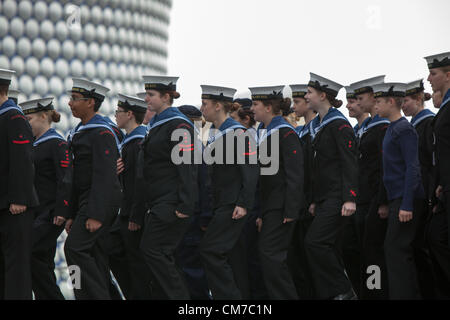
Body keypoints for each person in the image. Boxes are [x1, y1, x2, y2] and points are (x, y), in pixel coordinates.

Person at [140, 75, 197, 300]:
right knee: (158, 252)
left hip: (171, 201)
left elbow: (186, 167)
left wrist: (185, 203)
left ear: (166, 97)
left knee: (153, 249)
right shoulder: (160, 124)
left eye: (151, 95)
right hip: (159, 200)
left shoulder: (178, 124)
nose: (146, 99)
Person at [64, 78, 122, 300]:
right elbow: (77, 177)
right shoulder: (83, 130)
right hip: (86, 203)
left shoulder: (101, 133)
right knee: (94, 256)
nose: (70, 103)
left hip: (97, 203)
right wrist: (71, 214)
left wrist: (96, 214)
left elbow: (104, 177)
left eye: (75, 99)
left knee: (73, 249)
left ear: (90, 103)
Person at [199, 85, 259, 300]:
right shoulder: (217, 133)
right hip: (221, 203)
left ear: (217, 106)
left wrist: (243, 203)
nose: (202, 108)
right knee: (230, 257)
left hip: (233, 204)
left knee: (210, 251)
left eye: (205, 104)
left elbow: (251, 172)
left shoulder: (237, 132)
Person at [303, 73, 358, 300]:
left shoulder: (339, 124)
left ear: (322, 95)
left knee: (314, 242)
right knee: (326, 245)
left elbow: (349, 162)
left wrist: (350, 197)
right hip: (325, 196)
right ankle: (334, 294)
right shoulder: (320, 124)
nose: (306, 96)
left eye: (309, 93)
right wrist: (315, 200)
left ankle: (344, 290)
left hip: (338, 195)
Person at [250, 85, 303, 299]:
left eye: (255, 105)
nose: (252, 109)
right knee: (269, 258)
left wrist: (291, 210)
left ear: (269, 107)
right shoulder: (264, 132)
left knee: (271, 257)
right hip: (271, 206)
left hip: (282, 206)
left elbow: (295, 174)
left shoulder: (285, 132)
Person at [373, 82, 425, 299]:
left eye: (378, 102)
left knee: (396, 250)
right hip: (397, 199)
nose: (375, 106)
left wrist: (406, 204)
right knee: (393, 250)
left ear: (391, 102)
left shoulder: (404, 129)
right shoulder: (392, 128)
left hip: (407, 200)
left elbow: (413, 167)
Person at [20, 97, 70, 300]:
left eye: (29, 119)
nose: (26, 124)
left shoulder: (56, 143)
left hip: (49, 213)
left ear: (43, 117)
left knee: (29, 253)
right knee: (40, 262)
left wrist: (62, 210)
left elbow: (65, 179)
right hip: (36, 213)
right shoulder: (35, 144)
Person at [0, 69, 39, 300]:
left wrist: (20, 198)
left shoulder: (13, 117)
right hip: (3, 202)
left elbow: (22, 159)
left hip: (14, 205)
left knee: (16, 267)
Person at [351, 75, 390, 299]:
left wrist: (382, 200)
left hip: (375, 199)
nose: (357, 101)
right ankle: (368, 292)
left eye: (361, 97)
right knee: (365, 252)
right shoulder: (369, 127)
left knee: (374, 253)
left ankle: (376, 294)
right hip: (364, 198)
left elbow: (385, 167)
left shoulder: (382, 128)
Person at [113, 93, 152, 299]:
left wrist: (135, 216)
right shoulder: (129, 141)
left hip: (133, 216)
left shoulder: (138, 143)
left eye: (118, 112)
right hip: (126, 213)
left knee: (137, 265)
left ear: (129, 114)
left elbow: (140, 183)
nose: (115, 116)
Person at [402, 79, 436, 298]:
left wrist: (432, 195)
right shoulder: (413, 125)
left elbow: (431, 163)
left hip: (425, 194)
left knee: (423, 248)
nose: (402, 105)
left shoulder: (428, 123)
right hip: (414, 193)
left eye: (405, 100)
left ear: (417, 99)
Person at [175, 105, 212, 300]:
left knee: (192, 273)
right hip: (190, 216)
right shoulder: (192, 144)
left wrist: (204, 217)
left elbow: (204, 184)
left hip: (192, 218)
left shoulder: (194, 146)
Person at [339, 84, 372, 298]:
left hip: (369, 200)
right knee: (351, 251)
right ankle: (361, 292)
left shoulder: (376, 127)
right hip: (357, 200)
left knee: (370, 256)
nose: (350, 105)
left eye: (353, 101)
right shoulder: (356, 131)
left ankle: (373, 292)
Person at [425, 51, 450, 298]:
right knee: (435, 236)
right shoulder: (446, 107)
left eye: (433, 74)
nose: (429, 79)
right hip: (446, 187)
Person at [287, 84, 316, 299]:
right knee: (298, 256)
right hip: (301, 200)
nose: (293, 106)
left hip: (313, 201)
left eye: (298, 102)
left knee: (311, 254)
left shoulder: (319, 128)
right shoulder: (301, 131)